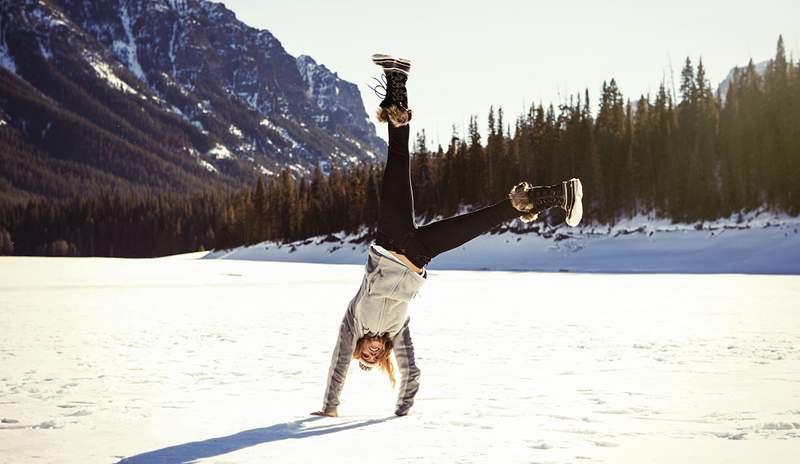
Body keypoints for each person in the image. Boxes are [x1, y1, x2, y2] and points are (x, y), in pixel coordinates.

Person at [311, 54, 583, 418]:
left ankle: (397, 82)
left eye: (365, 355)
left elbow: (337, 367)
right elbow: (411, 371)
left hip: (387, 241)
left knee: (396, 163)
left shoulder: (351, 323)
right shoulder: (398, 330)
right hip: (417, 256)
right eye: (375, 359)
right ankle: (558, 195)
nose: (372, 354)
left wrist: (330, 408)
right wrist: (402, 412)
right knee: (485, 219)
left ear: (358, 347)